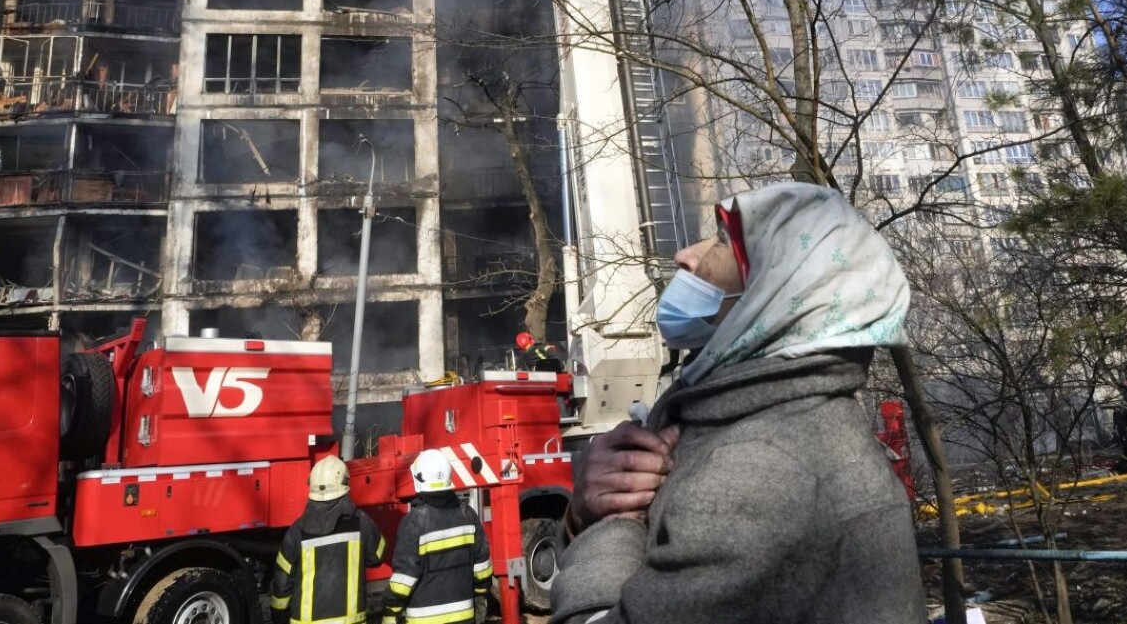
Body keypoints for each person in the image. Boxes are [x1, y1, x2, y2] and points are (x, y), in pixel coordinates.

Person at [551, 183, 926, 624]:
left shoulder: (762, 471)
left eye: (723, 240)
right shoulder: (790, 429)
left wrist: (607, 521)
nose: (686, 256)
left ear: (775, 287)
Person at [270, 455, 385, 624]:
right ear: (345, 484)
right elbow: (377, 557)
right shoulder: (361, 522)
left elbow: (281, 585)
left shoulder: (297, 531)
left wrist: (279, 618)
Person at [383, 449, 493, 624]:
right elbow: (482, 567)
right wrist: (480, 597)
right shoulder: (468, 515)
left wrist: (390, 609)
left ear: (418, 478)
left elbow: (404, 580)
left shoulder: (413, 523)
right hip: (464, 618)